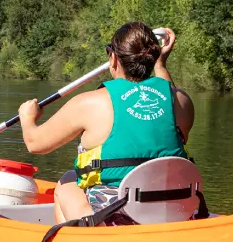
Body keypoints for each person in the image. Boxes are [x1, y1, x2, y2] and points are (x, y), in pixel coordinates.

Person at [17, 23, 195, 224]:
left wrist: (27, 117)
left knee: (67, 182)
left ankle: (83, 239)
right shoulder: (182, 102)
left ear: (114, 58)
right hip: (173, 209)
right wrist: (160, 64)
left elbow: (35, 143)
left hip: (117, 214)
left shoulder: (89, 103)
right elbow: (166, 92)